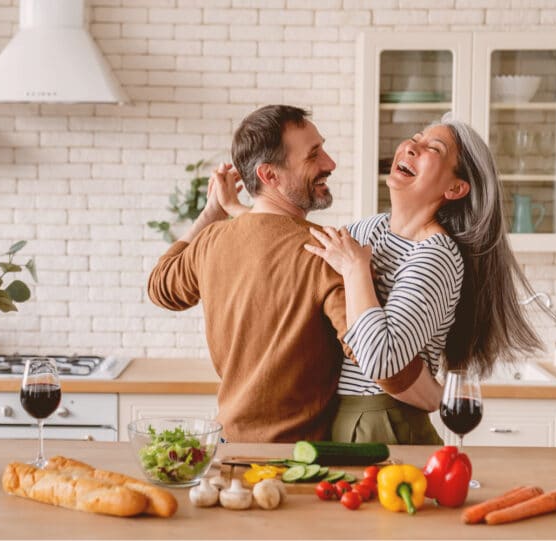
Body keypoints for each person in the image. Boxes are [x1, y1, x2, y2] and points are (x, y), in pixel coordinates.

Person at [147, 105, 434, 443]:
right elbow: (381, 363)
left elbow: (160, 287)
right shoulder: (326, 253)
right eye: (313, 156)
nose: (330, 163)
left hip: (227, 448)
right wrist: (440, 397)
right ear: (270, 176)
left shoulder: (211, 241)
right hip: (297, 460)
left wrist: (211, 213)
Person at [301, 117, 550, 444]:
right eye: (415, 139)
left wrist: (355, 271)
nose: (410, 146)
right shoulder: (368, 230)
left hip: (384, 422)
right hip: (340, 416)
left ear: (455, 188)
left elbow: (382, 360)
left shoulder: (436, 255)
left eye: (433, 148)